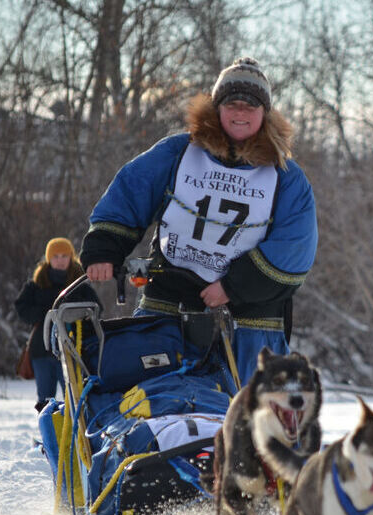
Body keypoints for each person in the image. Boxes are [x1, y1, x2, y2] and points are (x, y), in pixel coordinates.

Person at [80, 57, 318, 385]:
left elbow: (295, 249)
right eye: (231, 103)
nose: (240, 112)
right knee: (157, 411)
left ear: (265, 114)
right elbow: (129, 193)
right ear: (216, 108)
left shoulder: (286, 178)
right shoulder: (177, 153)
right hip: (167, 308)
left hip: (249, 328)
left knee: (246, 427)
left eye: (251, 105)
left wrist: (232, 287)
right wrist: (104, 249)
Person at [15, 237, 87, 411]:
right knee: (45, 401)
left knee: (75, 398)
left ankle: (74, 434)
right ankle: (49, 435)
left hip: (72, 350)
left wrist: (72, 315)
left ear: (71, 257)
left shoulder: (80, 282)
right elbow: (21, 308)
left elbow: (95, 309)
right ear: (49, 258)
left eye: (64, 256)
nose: (60, 260)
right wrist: (44, 314)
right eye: (56, 256)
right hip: (42, 350)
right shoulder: (36, 284)